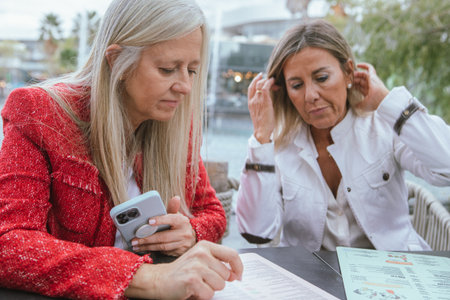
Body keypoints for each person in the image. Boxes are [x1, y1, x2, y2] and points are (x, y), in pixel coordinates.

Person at [0, 0, 243, 299]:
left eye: (191, 71)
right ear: (116, 61)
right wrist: (149, 277)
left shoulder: (176, 122)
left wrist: (190, 233)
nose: (185, 87)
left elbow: (214, 214)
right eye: (168, 69)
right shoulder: (40, 113)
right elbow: (9, 244)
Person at [236, 19, 450, 252]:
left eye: (321, 78)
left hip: (394, 275)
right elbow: (256, 233)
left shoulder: (385, 127)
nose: (311, 95)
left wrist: (387, 101)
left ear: (348, 72)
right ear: (285, 91)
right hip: (310, 281)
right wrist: (260, 137)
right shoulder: (274, 147)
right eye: (297, 85)